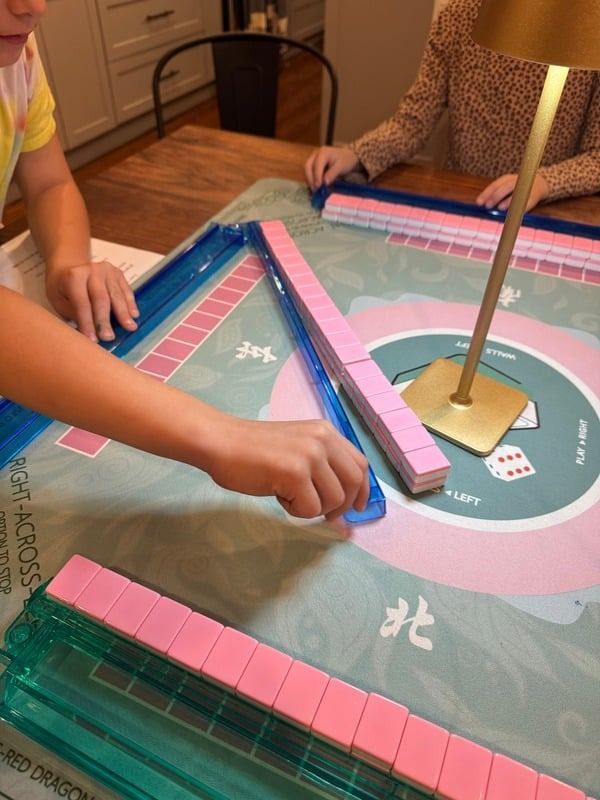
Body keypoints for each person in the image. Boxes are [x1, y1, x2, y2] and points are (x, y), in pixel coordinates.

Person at [0, 0, 369, 520]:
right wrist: (220, 435)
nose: (34, 6)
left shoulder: (17, 56)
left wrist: (65, 263)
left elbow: (49, 183)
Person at [305, 0, 600, 212]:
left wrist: (545, 183)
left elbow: (597, 157)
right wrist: (357, 153)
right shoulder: (459, 18)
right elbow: (413, 122)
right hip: (464, 199)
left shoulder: (588, 32)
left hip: (546, 211)